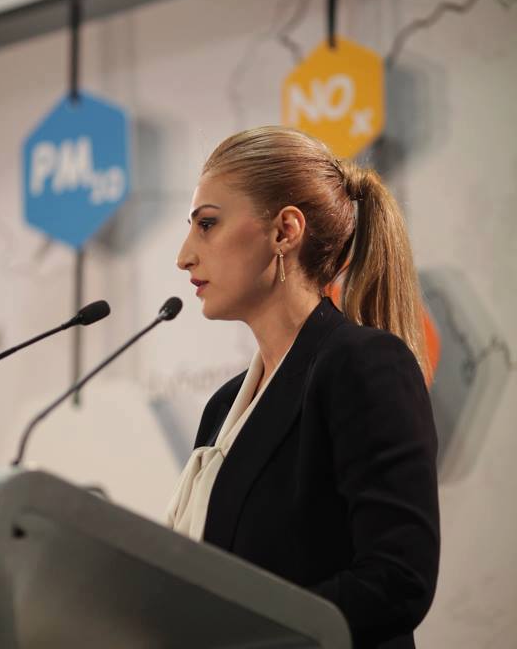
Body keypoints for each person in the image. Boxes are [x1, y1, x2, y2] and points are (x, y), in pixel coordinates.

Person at [166, 126, 440, 649]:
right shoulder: (223, 407)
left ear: (285, 231)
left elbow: (397, 581)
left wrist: (237, 636)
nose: (184, 256)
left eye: (208, 224)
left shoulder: (363, 365)